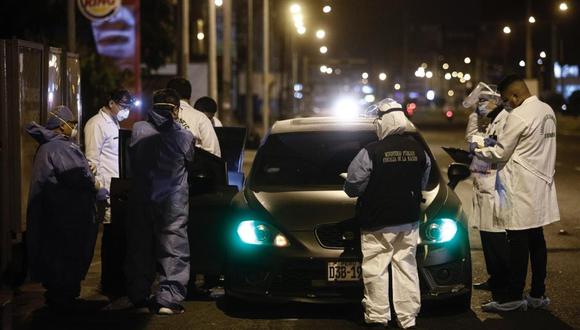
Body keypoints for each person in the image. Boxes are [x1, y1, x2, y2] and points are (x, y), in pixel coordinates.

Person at [475, 75, 560, 312]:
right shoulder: (547, 111)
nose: (505, 105)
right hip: (541, 184)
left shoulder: (519, 115)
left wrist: (479, 149)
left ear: (515, 95)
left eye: (505, 100)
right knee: (537, 241)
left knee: (518, 243)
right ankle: (537, 294)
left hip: (521, 187)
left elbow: (500, 153)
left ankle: (513, 297)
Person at [344, 98, 430, 329]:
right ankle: (407, 318)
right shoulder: (419, 150)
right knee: (406, 267)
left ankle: (378, 317)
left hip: (377, 222)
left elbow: (353, 187)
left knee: (376, 269)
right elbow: (422, 180)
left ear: (384, 121)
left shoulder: (371, 152)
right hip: (408, 222)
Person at [125, 88, 194, 315]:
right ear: (175, 109)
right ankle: (168, 299)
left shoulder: (139, 129)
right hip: (172, 201)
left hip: (143, 198)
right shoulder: (183, 135)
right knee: (173, 249)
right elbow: (191, 161)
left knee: (141, 246)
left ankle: (139, 295)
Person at [25, 106, 100, 310]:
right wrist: (95, 183)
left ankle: (59, 296)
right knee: (67, 255)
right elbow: (76, 177)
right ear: (61, 126)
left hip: (54, 212)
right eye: (72, 124)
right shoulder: (61, 148)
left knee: (55, 255)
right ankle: (64, 299)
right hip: (66, 213)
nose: (74, 127)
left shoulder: (48, 146)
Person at [84, 88, 135, 296]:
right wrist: (98, 189)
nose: (126, 111)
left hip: (119, 191)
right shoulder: (96, 124)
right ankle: (110, 283)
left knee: (119, 238)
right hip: (106, 192)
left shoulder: (114, 123)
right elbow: (91, 161)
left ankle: (116, 282)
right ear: (111, 103)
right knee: (111, 240)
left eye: (129, 107)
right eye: (124, 106)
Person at [463, 82, 510, 300]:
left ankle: (504, 282)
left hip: (495, 184)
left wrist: (481, 144)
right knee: (485, 234)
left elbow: (499, 147)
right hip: (481, 179)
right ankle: (494, 278)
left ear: (496, 101)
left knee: (497, 235)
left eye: (485, 101)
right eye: (479, 101)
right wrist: (476, 130)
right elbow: (472, 140)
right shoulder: (480, 119)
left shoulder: (504, 119)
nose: (481, 105)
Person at [166, 78, 221, 156]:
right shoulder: (200, 118)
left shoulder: (157, 117)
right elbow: (214, 153)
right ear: (190, 96)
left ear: (167, 95)